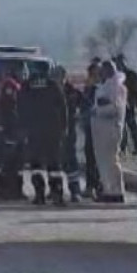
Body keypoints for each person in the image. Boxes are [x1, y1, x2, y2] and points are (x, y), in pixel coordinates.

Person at [17, 62, 69, 206]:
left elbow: (20, 108)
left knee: (36, 165)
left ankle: (39, 195)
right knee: (54, 164)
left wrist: (22, 129)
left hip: (33, 131)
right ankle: (57, 194)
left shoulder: (27, 86)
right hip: (52, 131)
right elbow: (63, 108)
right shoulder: (53, 85)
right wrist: (64, 128)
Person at [91, 59, 127, 203]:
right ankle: (108, 189)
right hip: (101, 130)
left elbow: (115, 108)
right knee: (104, 162)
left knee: (111, 160)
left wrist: (99, 109)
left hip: (110, 128)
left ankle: (116, 190)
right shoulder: (105, 86)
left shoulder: (117, 87)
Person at [0, 69, 26, 200]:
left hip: (5, 128)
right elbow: (10, 106)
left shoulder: (3, 84)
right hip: (10, 129)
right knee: (12, 162)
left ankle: (1, 189)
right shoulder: (10, 84)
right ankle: (11, 190)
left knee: (3, 161)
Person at [52, 66, 86, 202]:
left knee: (70, 161)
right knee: (55, 163)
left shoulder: (72, 91)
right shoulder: (50, 91)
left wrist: (78, 115)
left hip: (68, 130)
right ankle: (56, 190)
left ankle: (75, 191)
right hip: (53, 131)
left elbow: (83, 105)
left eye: (59, 76)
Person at [81, 59, 103, 197]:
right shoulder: (89, 89)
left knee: (98, 158)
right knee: (90, 156)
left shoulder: (102, 89)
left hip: (101, 128)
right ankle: (90, 186)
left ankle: (98, 186)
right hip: (90, 126)